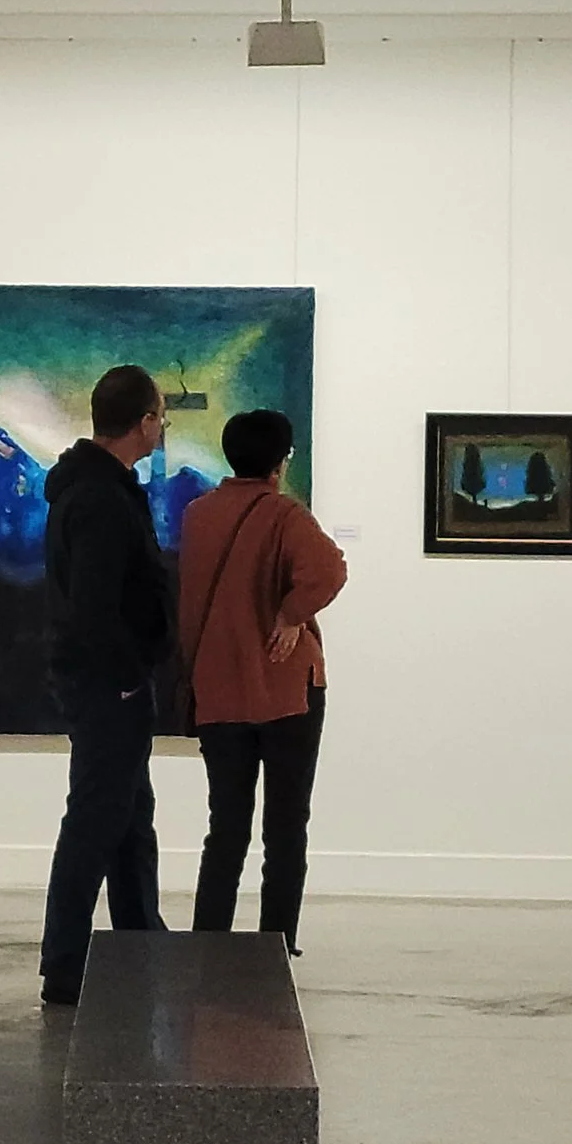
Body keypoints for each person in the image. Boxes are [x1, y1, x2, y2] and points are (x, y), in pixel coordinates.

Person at [182, 409, 348, 956]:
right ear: (280, 462)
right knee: (285, 829)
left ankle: (209, 940)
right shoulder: (284, 515)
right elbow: (330, 569)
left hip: (219, 690)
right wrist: (291, 614)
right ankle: (276, 942)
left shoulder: (197, 514)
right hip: (285, 690)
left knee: (225, 828)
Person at [38, 365, 175, 1007]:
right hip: (105, 683)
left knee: (128, 814)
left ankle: (137, 934)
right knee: (98, 815)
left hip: (108, 679)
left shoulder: (99, 488)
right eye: (160, 415)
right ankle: (66, 961)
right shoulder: (99, 498)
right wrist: (125, 677)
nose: (164, 426)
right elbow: (92, 606)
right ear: (144, 421)